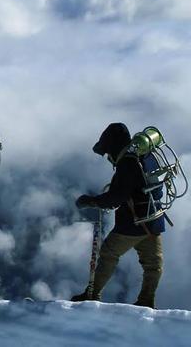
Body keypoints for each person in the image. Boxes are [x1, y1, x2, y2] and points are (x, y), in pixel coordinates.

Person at [72, 122, 165, 308]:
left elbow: (115, 197)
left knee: (108, 253)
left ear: (114, 147)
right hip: (154, 218)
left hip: (134, 224)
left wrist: (91, 201)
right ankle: (147, 301)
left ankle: (92, 295)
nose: (108, 157)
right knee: (153, 264)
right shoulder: (144, 155)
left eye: (108, 152)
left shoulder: (127, 164)